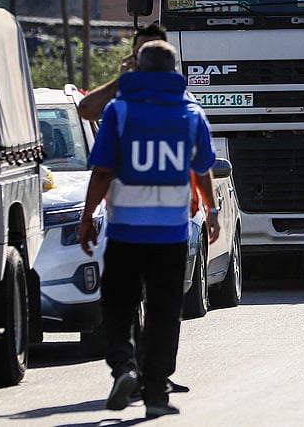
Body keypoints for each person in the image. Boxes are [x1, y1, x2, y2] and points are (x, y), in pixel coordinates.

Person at [78, 40, 221, 418]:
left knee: (119, 305)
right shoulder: (191, 113)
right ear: (174, 72)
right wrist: (212, 211)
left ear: (139, 70)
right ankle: (156, 393)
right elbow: (202, 166)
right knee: (163, 312)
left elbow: (104, 171)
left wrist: (87, 216)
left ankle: (124, 367)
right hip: (170, 234)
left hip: (126, 231)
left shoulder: (119, 110)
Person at [77, 22, 168, 122]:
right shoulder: (122, 99)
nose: (149, 59)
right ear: (132, 56)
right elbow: (85, 110)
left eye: (155, 54)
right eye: (143, 53)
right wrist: (121, 81)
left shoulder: (179, 97)